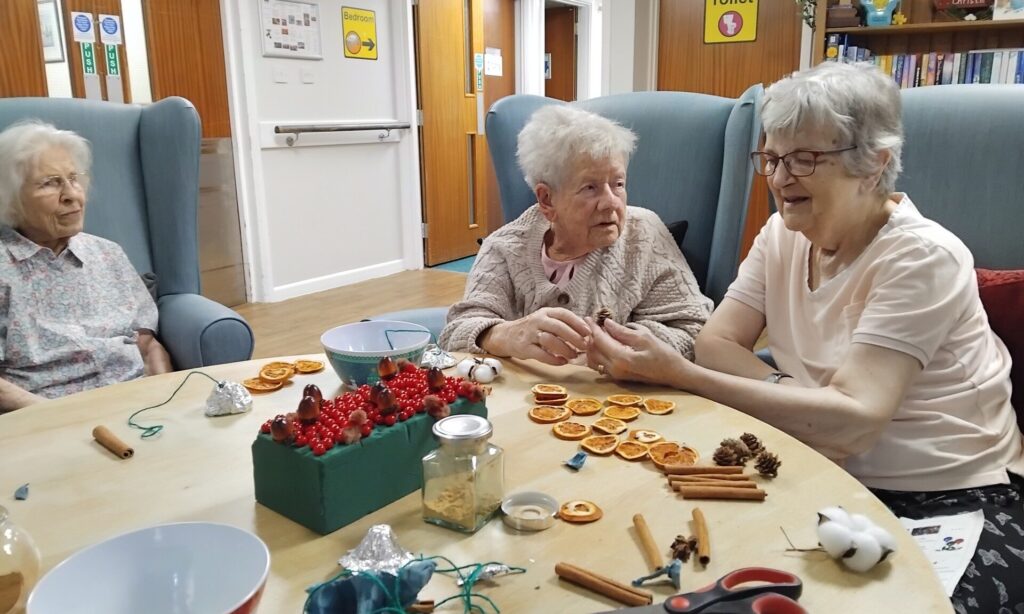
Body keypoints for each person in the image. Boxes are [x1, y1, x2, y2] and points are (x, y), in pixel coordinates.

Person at [585, 62, 1024, 612]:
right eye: (772, 157)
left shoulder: (921, 256)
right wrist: (795, 391)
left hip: (954, 496)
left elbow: (856, 422)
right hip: (823, 471)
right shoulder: (780, 234)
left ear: (874, 165)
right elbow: (717, 343)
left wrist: (680, 376)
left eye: (805, 159)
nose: (780, 177)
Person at [440, 104, 711, 364]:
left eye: (618, 184)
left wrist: (616, 347)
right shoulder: (504, 248)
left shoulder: (644, 235)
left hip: (622, 404)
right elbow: (457, 332)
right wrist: (507, 334)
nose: (611, 202)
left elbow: (695, 331)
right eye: (590, 188)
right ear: (546, 200)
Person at [0, 121, 172, 412]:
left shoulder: (107, 254)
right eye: (50, 182)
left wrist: (166, 394)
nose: (72, 195)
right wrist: (57, 418)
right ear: (11, 198)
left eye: (74, 179)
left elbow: (145, 342)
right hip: (47, 414)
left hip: (136, 405)